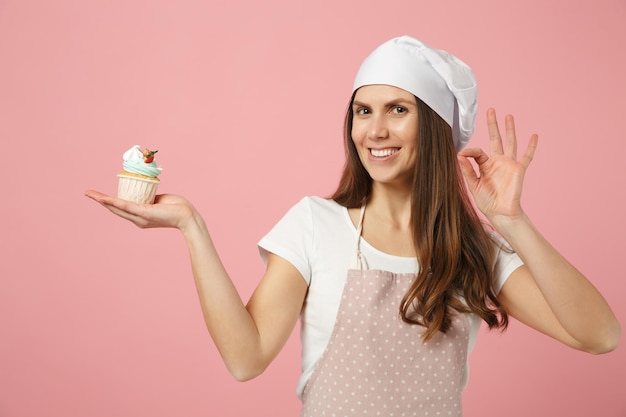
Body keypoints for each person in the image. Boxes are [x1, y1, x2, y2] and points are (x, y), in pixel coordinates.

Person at [85, 35, 620, 416]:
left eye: (397, 109)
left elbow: (600, 336)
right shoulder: (315, 224)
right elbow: (245, 359)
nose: (375, 129)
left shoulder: (471, 248)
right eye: (362, 111)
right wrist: (191, 227)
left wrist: (512, 221)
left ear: (433, 126)